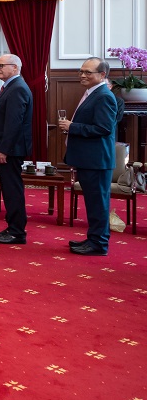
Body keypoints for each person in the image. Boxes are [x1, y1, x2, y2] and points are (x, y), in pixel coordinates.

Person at [59, 57, 119, 256]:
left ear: (102, 75)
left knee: (99, 203)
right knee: (93, 203)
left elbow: (103, 128)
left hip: (96, 160)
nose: (82, 75)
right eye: (81, 71)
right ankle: (93, 239)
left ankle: (99, 244)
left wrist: (72, 127)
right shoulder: (92, 93)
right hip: (89, 159)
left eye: (88, 72)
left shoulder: (104, 96)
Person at [0, 54, 33, 245]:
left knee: (13, 190)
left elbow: (14, 124)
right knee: (9, 190)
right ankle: (12, 227)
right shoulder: (11, 87)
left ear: (15, 68)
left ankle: (17, 232)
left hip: (11, 150)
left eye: (1, 65)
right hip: (9, 148)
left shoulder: (17, 88)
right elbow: (8, 117)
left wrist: (4, 150)